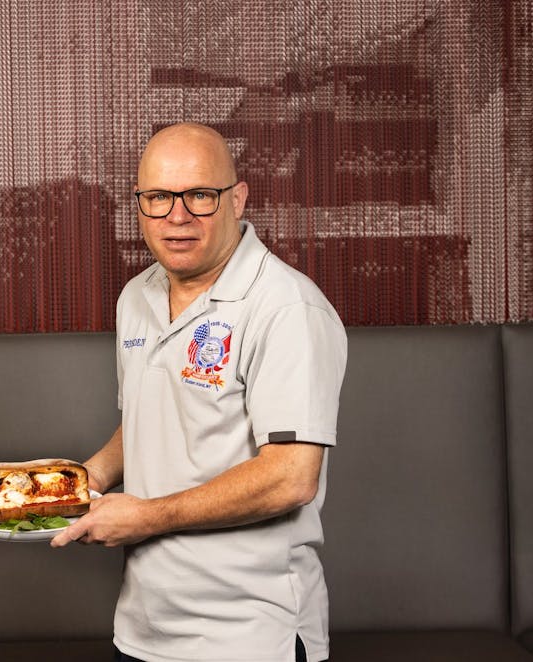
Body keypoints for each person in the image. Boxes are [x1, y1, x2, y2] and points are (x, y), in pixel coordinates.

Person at [52, 123, 346, 662]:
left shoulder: (286, 308)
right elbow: (151, 419)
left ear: (237, 198)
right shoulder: (136, 297)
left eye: (200, 196)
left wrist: (146, 516)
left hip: (251, 636)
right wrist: (81, 479)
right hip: (143, 628)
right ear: (139, 204)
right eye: (158, 197)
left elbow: (290, 477)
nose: (177, 216)